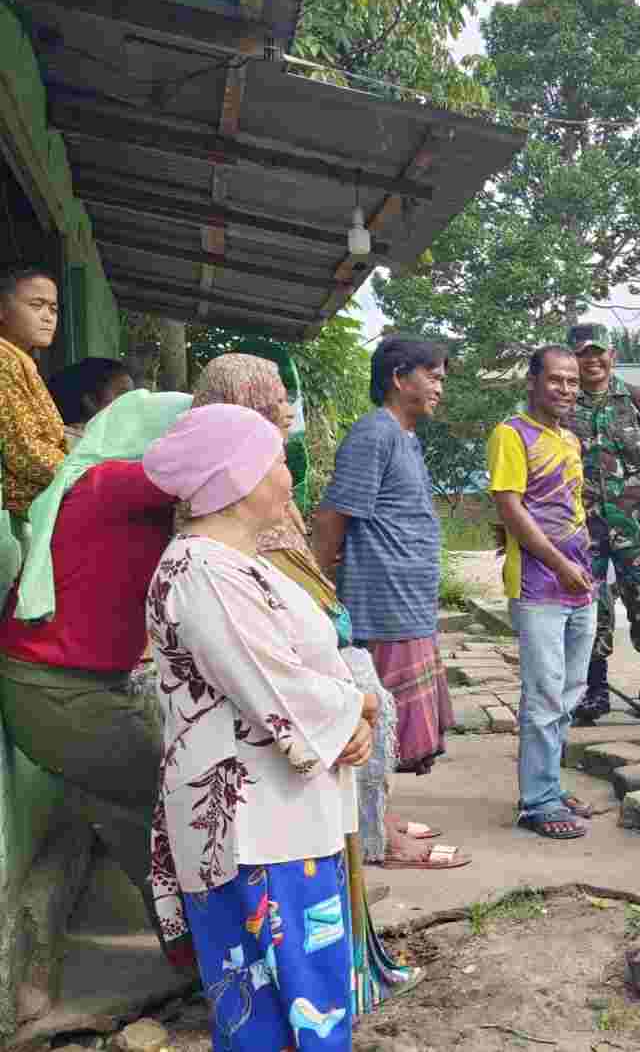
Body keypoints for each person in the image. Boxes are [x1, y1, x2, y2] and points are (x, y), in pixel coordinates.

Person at [191, 353, 425, 1009]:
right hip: (286, 733)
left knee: (335, 844)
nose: (289, 409)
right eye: (272, 399)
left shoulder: (263, 499)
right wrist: (351, 709)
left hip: (318, 695)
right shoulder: (215, 537)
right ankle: (315, 994)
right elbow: (263, 662)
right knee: (294, 884)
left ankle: (342, 977)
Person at [144, 404, 375, 1051]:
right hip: (257, 837)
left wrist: (348, 712)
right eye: (275, 459)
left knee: (293, 1007)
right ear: (236, 478)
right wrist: (355, 708)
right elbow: (272, 684)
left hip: (279, 825)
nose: (287, 473)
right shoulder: (204, 570)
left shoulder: (228, 563)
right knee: (286, 1014)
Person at [0, 389, 190, 964]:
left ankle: (193, 949)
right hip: (56, 688)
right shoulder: (112, 482)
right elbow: (210, 467)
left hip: (67, 684)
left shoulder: (111, 484)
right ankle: (200, 953)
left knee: (140, 808)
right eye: (181, 432)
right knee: (170, 802)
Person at [314, 336, 461, 870]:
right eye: (432, 375)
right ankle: (380, 842)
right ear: (400, 378)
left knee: (395, 728)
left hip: (407, 605)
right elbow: (334, 516)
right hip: (381, 606)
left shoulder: (404, 437)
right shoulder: (373, 433)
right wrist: (317, 591)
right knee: (377, 729)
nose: (440, 386)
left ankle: (384, 818)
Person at [487, 344, 599, 840]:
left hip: (581, 585)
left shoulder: (570, 440)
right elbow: (511, 510)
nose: (566, 389)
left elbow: (571, 506)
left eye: (573, 381)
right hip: (539, 587)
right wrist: (561, 564)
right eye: (556, 379)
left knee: (570, 693)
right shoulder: (511, 435)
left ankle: (549, 784)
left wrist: (585, 561)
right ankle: (537, 803)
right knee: (543, 695)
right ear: (532, 381)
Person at [563, 324, 640, 720]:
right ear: (573, 357)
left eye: (599, 352)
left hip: (633, 522)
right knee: (591, 607)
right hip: (582, 526)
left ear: (612, 355)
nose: (592, 360)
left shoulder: (635, 398)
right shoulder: (562, 402)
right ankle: (595, 691)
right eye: (583, 353)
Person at [0, 266, 67, 523]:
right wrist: (87, 473)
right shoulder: (4, 361)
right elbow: (24, 451)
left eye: (53, 309)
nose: (48, 317)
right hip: (15, 513)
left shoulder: (22, 361)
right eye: (36, 305)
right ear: (2, 310)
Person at [48, 357, 134, 447]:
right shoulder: (73, 444)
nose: (133, 401)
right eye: (123, 393)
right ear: (90, 400)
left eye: (133, 394)